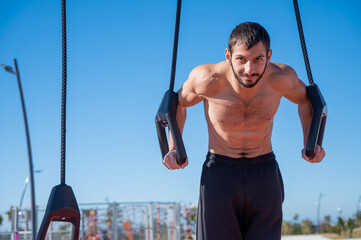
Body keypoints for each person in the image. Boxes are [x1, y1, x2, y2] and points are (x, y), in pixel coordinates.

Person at [162, 22, 325, 240]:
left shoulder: (281, 78)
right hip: (219, 173)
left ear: (269, 55)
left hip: (264, 172)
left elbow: (307, 100)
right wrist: (174, 147)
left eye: (258, 59)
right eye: (241, 59)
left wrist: (310, 141)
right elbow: (178, 105)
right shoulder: (207, 79)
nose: (250, 69)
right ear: (228, 56)